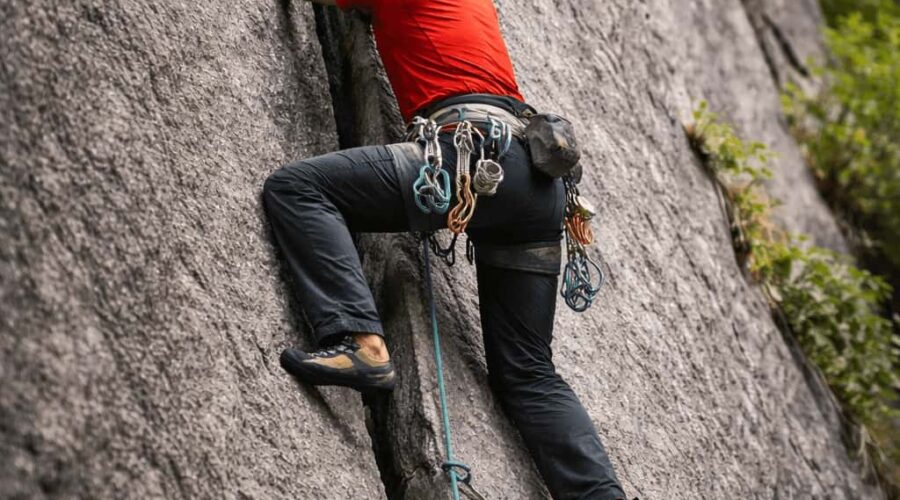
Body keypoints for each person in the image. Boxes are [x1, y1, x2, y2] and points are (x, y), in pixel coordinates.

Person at [262, 0, 632, 498]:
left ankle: (361, 342)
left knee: (299, 189)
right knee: (528, 371)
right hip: (537, 180)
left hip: (474, 154)